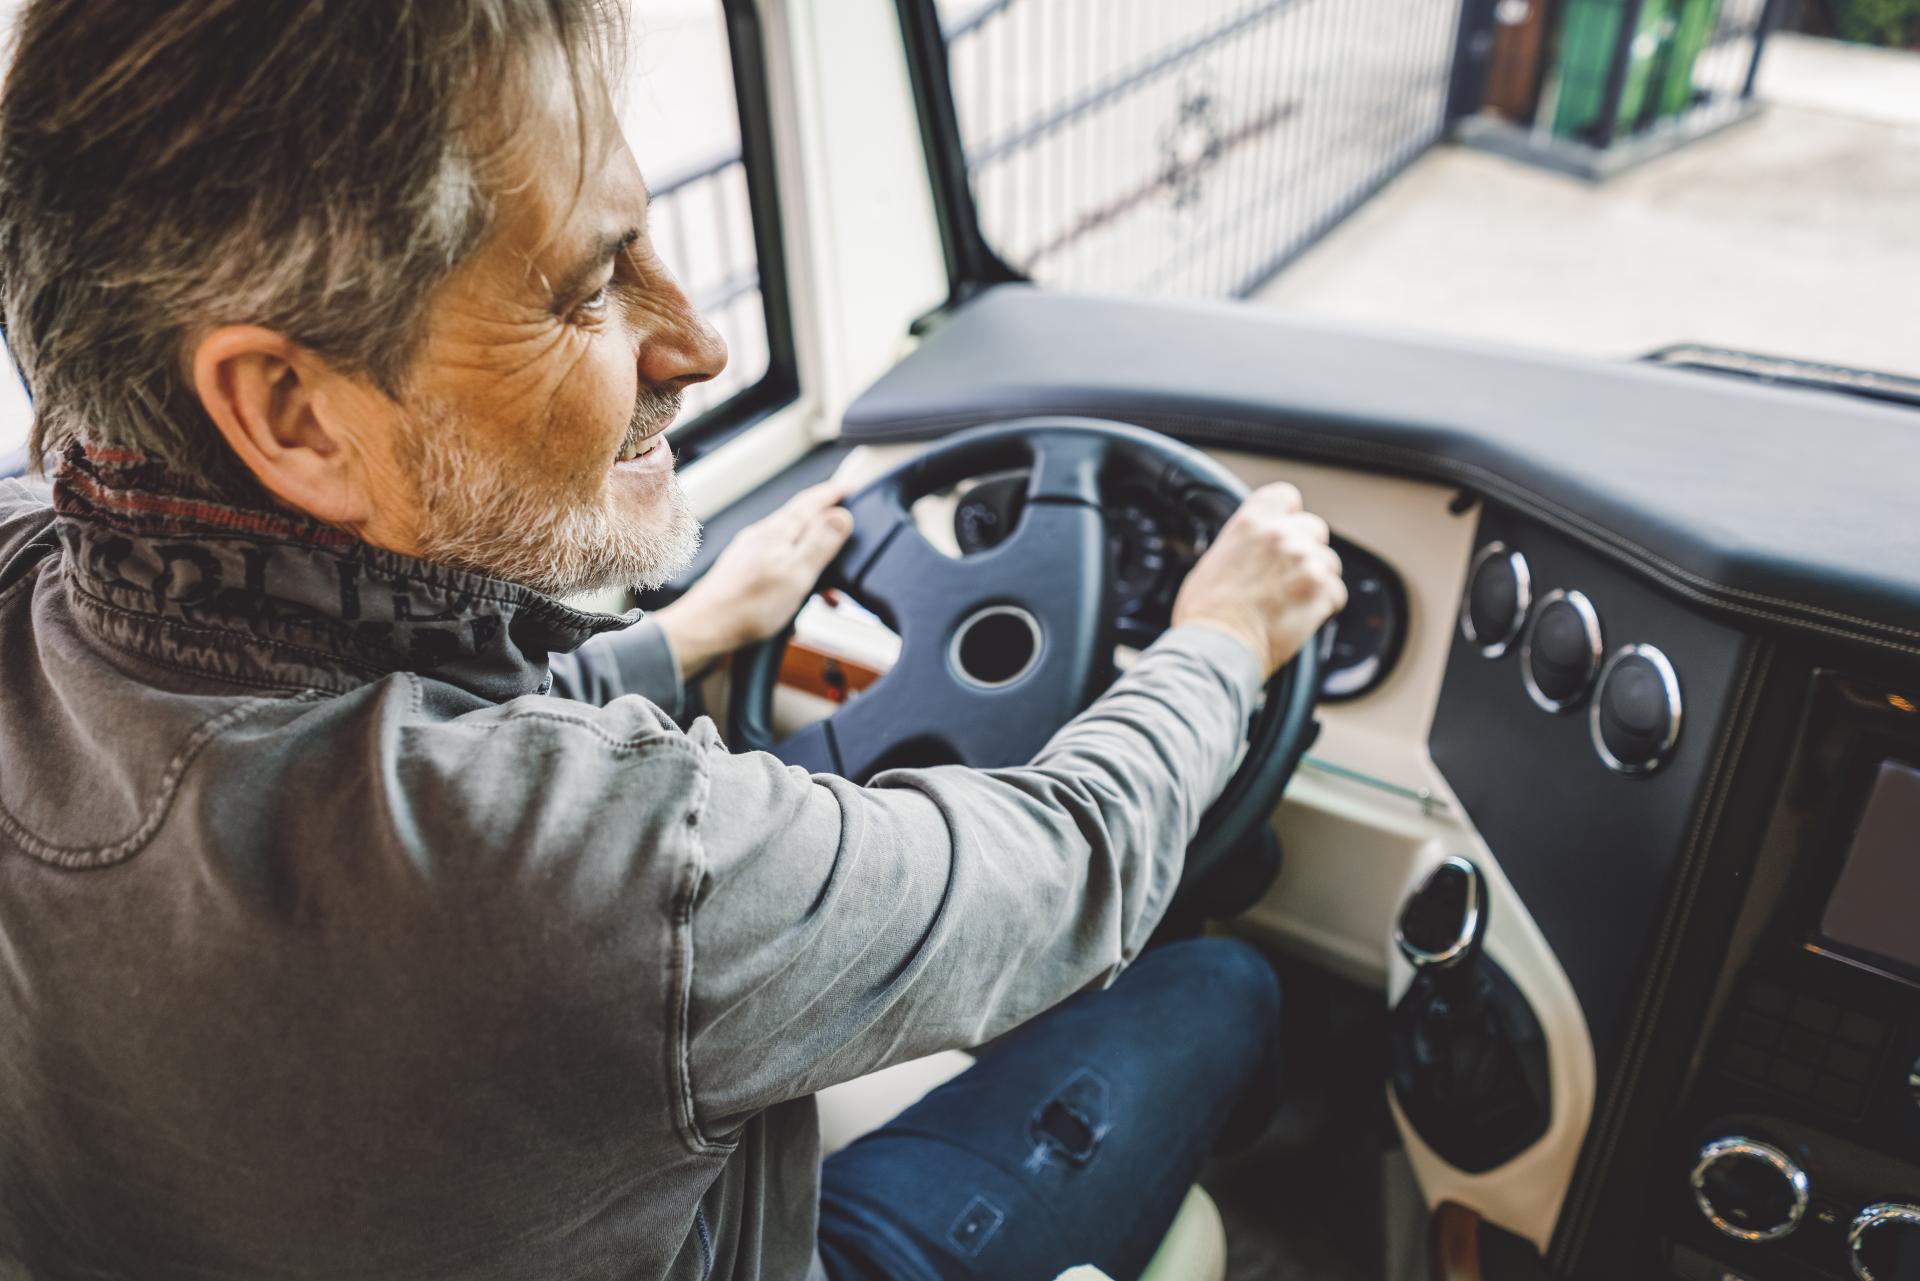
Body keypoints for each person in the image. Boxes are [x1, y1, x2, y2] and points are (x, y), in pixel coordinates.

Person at [0, 3, 1346, 1279]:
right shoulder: (607, 867)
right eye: (589, 286)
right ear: (292, 414)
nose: (696, 343)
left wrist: (694, 630)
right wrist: (1224, 639)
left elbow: (357, 757)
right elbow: (1074, 868)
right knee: (1218, 982)